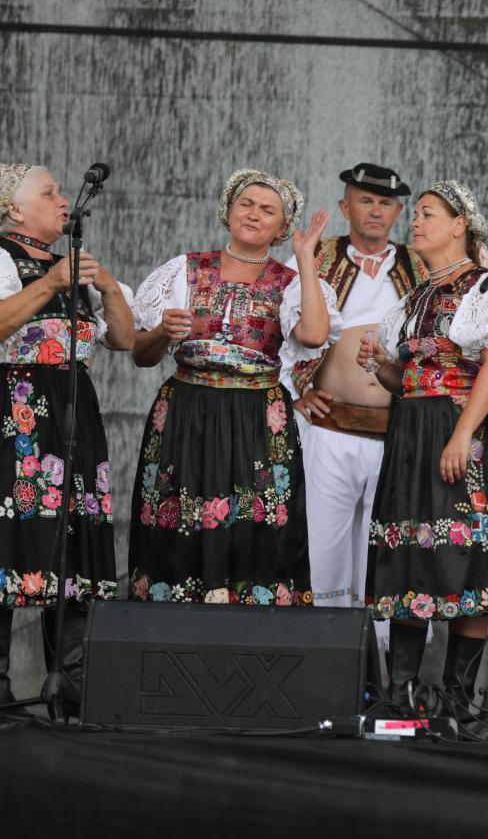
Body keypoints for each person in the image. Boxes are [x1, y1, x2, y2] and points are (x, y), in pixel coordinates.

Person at [358, 180, 488, 718]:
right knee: (410, 552)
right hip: (414, 430)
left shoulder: (485, 287)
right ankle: (400, 693)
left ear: (459, 225)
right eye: (417, 214)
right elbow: (406, 381)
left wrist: (463, 434)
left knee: (473, 557)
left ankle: (456, 696)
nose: (415, 222)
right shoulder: (417, 295)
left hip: (468, 427)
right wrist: (381, 365)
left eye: (427, 213)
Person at [129, 169, 338, 606]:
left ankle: (254, 622)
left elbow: (315, 335)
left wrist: (304, 259)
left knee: (257, 520)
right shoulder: (185, 270)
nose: (254, 214)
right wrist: (163, 332)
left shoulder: (290, 282)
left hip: (256, 415)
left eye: (268, 210)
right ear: (228, 210)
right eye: (246, 204)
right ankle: (172, 617)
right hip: (188, 408)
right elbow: (141, 354)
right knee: (179, 512)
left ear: (282, 227)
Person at [0, 164, 134, 706]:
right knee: (10, 532)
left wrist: (107, 287)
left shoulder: (70, 265)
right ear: (14, 209)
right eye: (49, 193)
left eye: (60, 192)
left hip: (74, 410)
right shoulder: (4, 258)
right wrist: (52, 283)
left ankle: (70, 681)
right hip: (17, 411)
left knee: (75, 534)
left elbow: (124, 339)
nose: (62, 201)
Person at [284, 163, 424, 641]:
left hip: (399, 434)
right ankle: (321, 651)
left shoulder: (422, 265)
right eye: (365, 200)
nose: (376, 210)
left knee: (386, 547)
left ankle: (383, 662)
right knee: (321, 544)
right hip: (331, 429)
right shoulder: (313, 257)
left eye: (386, 203)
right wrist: (294, 393)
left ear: (399, 212)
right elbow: (274, 327)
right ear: (346, 206)